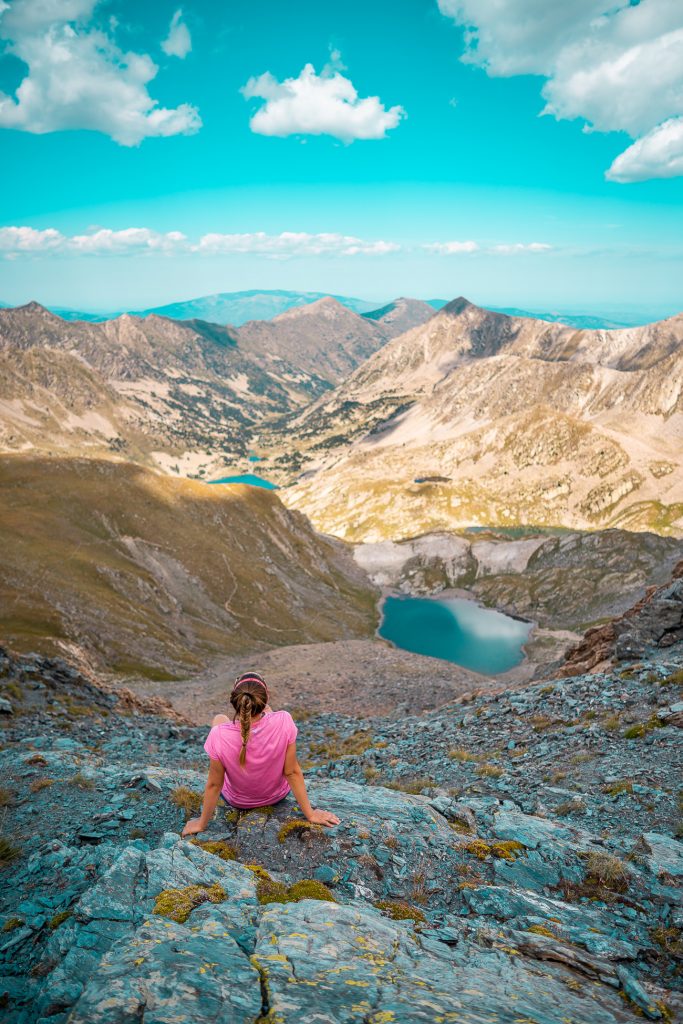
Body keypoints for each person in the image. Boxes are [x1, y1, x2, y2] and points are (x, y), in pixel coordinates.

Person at [181, 672, 340, 836]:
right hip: (276, 796)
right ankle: (260, 719)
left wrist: (201, 823)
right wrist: (311, 814)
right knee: (270, 715)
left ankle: (246, 722)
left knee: (219, 719)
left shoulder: (218, 735)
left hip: (238, 801)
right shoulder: (285, 720)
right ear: (265, 698)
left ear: (235, 701)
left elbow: (215, 784)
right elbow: (291, 771)